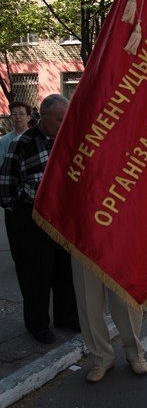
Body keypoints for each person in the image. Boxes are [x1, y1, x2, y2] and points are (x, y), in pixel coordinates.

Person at [0, 94, 79, 343]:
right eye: (59, 119)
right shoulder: (23, 143)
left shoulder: (67, 140)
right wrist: (19, 213)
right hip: (30, 219)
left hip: (60, 218)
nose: (63, 124)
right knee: (36, 275)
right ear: (42, 116)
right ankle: (38, 324)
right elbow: (6, 184)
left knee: (64, 271)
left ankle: (66, 316)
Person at [71, 261, 147, 383]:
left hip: (122, 243)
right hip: (85, 243)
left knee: (126, 296)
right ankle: (101, 358)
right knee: (89, 299)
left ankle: (135, 353)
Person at [0, 102, 31, 261]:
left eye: (21, 114)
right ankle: (18, 258)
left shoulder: (35, 139)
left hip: (31, 194)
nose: (17, 117)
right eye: (14, 114)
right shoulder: (4, 141)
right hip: (12, 192)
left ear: (28, 117)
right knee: (14, 229)